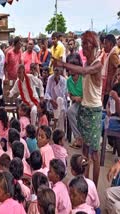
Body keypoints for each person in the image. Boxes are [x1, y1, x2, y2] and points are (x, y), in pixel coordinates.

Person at [54, 31, 103, 186]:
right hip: (85, 109)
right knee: (85, 150)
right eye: (83, 45)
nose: (85, 48)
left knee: (94, 154)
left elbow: (83, 71)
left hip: (94, 112)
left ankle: (93, 187)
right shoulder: (89, 63)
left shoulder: (97, 64)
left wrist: (62, 64)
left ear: (94, 46)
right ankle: (85, 182)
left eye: (87, 45)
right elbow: (81, 71)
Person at [66, 55, 83, 148]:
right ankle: (78, 138)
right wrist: (75, 98)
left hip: (86, 103)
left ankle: (83, 138)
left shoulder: (83, 78)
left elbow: (88, 95)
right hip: (76, 102)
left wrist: (81, 98)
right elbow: (71, 95)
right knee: (70, 111)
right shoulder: (68, 81)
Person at [45, 66, 68, 131]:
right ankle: (60, 129)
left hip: (61, 104)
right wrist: (51, 100)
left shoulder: (64, 80)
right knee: (59, 110)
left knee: (59, 100)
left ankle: (56, 120)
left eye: (58, 70)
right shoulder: (50, 78)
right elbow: (46, 93)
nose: (56, 72)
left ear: (61, 71)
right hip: (52, 104)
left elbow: (62, 95)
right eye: (55, 70)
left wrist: (57, 83)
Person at [102, 34, 120, 107]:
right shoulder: (109, 54)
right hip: (108, 87)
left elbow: (118, 67)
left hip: (110, 87)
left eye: (105, 43)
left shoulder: (113, 55)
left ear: (111, 44)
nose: (104, 46)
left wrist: (114, 80)